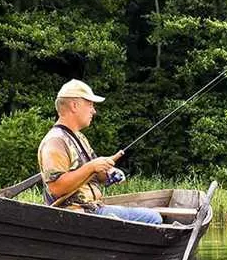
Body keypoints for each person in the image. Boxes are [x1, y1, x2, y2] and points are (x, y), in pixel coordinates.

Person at [38, 79, 162, 224]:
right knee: (152, 218)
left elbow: (93, 174)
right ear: (74, 105)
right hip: (75, 215)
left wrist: (108, 173)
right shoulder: (55, 141)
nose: (94, 111)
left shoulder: (79, 137)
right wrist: (91, 166)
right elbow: (57, 187)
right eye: (90, 104)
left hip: (92, 209)